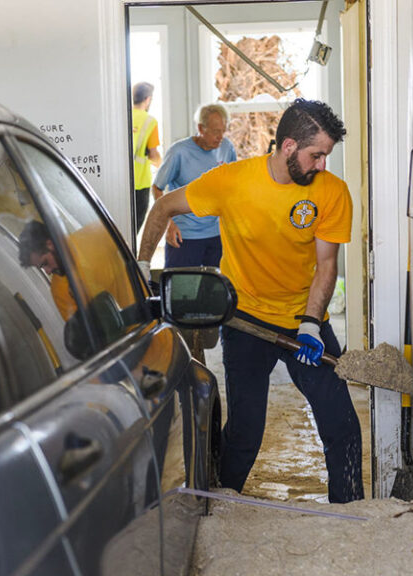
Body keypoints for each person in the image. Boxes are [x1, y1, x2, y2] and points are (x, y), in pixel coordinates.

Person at [137, 99, 363, 503]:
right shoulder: (232, 181)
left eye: (326, 156)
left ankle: (351, 511)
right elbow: (164, 205)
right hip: (244, 320)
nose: (322, 165)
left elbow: (326, 266)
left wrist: (311, 323)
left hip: (303, 321)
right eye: (317, 155)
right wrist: (140, 267)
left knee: (341, 423)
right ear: (290, 146)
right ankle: (218, 507)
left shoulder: (331, 192)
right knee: (244, 431)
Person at [152, 103, 237, 268]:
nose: (220, 137)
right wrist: (168, 224)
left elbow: (232, 186)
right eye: (215, 131)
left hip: (217, 235)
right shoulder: (179, 152)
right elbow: (157, 187)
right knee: (182, 291)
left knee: (215, 290)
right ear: (201, 128)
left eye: (223, 131)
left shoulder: (226, 148)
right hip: (185, 235)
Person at [132, 81, 162, 237]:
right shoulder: (150, 121)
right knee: (134, 229)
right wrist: (162, 167)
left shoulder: (123, 116)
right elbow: (153, 155)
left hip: (122, 183)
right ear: (148, 99)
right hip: (141, 183)